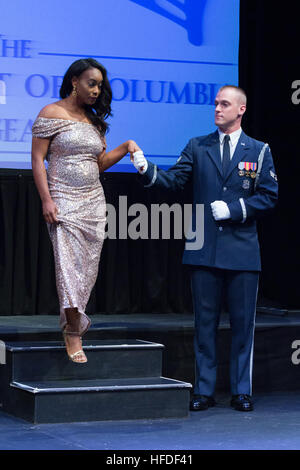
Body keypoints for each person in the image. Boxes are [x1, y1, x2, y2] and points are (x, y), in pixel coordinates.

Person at [132, 85, 278, 411]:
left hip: (242, 250)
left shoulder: (258, 150)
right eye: (215, 104)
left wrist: (235, 209)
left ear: (241, 109)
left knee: (243, 326)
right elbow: (173, 181)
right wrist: (146, 169)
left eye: (224, 104)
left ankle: (242, 391)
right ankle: (204, 390)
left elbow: (268, 196)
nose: (217, 109)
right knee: (205, 325)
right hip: (204, 247)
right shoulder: (198, 146)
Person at [31, 58, 141, 363]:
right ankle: (74, 332)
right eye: (91, 83)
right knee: (67, 267)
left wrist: (128, 145)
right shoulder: (51, 113)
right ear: (74, 81)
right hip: (63, 199)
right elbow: (38, 160)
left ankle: (74, 323)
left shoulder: (93, 121)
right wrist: (46, 199)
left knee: (86, 271)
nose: (96, 90)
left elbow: (101, 163)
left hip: (93, 203)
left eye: (100, 86)